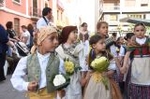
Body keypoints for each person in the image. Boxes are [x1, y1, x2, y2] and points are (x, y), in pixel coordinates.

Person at [11, 26, 65, 99]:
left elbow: (62, 80)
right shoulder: (26, 60)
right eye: (51, 39)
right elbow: (15, 78)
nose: (56, 42)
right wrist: (26, 85)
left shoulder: (58, 61)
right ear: (40, 41)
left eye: (56, 39)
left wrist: (60, 92)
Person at [56, 26, 86, 99]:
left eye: (77, 32)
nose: (76, 34)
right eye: (74, 32)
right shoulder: (58, 49)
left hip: (76, 77)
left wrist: (82, 78)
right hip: (63, 78)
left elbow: (82, 63)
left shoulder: (79, 47)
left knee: (76, 94)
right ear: (67, 33)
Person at [121, 23, 150, 99]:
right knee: (135, 81)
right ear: (134, 32)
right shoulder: (133, 42)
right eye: (137, 30)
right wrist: (124, 66)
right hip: (136, 64)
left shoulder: (148, 40)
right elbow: (127, 54)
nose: (140, 32)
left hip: (147, 64)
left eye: (142, 30)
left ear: (145, 31)